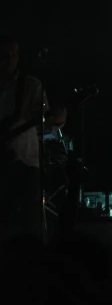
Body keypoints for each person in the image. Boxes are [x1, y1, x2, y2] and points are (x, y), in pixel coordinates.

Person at [0, 33, 66, 241]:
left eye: (14, 55)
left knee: (30, 229)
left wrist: (57, 119)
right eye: (4, 55)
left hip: (25, 167)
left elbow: (45, 124)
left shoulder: (30, 86)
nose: (10, 60)